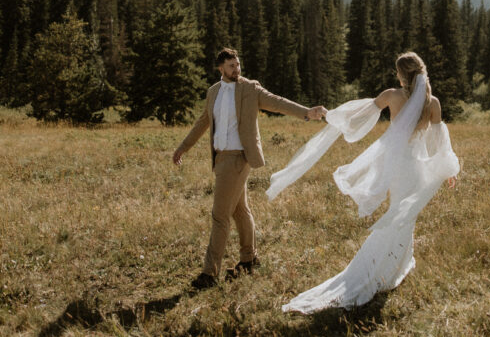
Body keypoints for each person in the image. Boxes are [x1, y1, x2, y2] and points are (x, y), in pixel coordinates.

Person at [268, 51, 459, 312]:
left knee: (399, 216)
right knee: (403, 217)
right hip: (416, 170)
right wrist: (448, 170)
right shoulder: (433, 103)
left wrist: (332, 115)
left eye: (397, 72)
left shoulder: (392, 96)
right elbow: (439, 142)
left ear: (402, 75)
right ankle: (385, 268)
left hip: (398, 168)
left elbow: (360, 112)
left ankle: (391, 268)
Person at [173, 47, 327, 289]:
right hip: (220, 158)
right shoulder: (213, 92)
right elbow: (203, 121)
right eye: (232, 66)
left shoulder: (250, 88)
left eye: (238, 64)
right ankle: (249, 260)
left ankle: (209, 274)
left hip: (238, 158)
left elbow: (277, 103)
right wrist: (183, 147)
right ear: (220, 68)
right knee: (239, 211)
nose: (237, 69)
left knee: (219, 215)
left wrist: (306, 113)